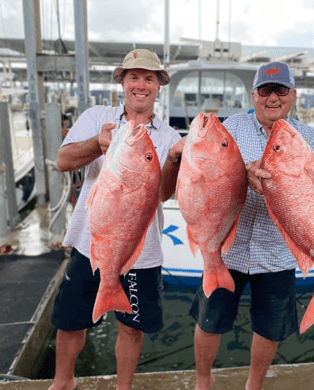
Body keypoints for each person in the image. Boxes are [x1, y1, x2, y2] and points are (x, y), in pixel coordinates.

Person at [187, 62, 314, 390]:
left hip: (278, 254)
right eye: (265, 90)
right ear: (253, 95)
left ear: (293, 95)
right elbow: (205, 166)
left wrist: (289, 181)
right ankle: (202, 382)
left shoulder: (308, 137)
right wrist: (242, 171)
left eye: (280, 90)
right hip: (228, 249)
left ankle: (253, 385)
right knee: (209, 321)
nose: (273, 97)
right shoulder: (231, 128)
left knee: (270, 328)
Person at [49, 49, 184, 390]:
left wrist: (170, 161)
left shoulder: (169, 137)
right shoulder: (98, 117)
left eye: (149, 78)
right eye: (134, 77)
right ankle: (63, 382)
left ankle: (123, 387)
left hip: (141, 250)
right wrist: (98, 143)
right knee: (69, 321)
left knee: (131, 326)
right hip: (90, 242)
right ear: (122, 82)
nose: (141, 85)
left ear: (159, 86)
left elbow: (164, 194)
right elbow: (63, 161)